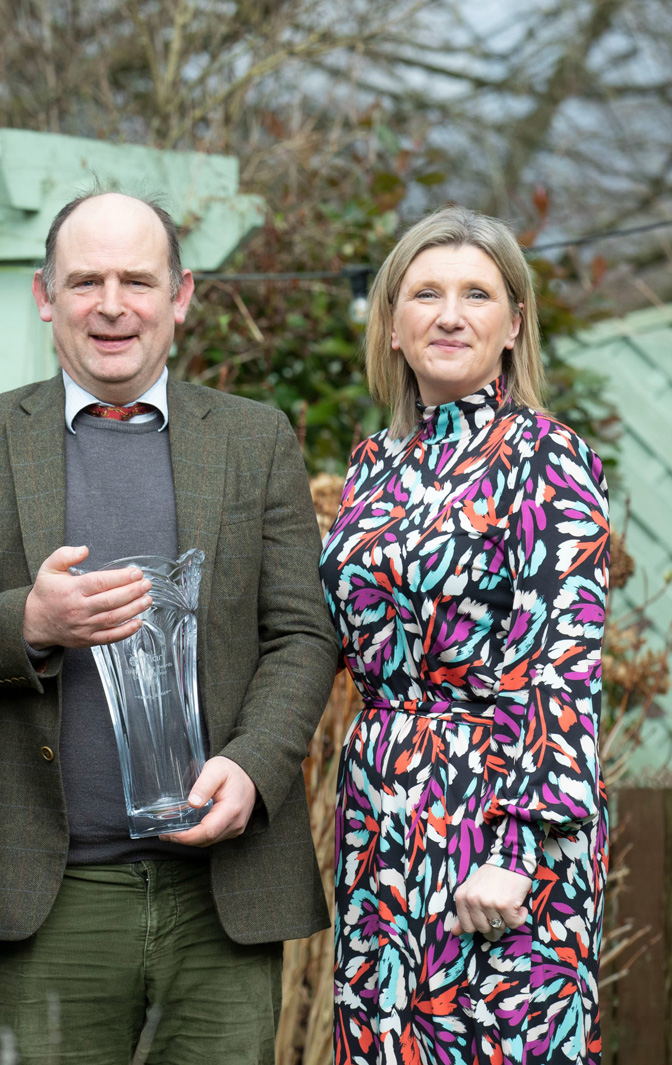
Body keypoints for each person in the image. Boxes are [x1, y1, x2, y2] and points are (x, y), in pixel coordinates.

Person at [0, 190, 339, 1064]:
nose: (111, 305)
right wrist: (28, 620)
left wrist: (253, 769)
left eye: (137, 280)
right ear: (44, 295)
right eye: (86, 280)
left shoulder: (256, 439)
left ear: (179, 296)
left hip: (224, 886)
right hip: (50, 886)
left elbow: (302, 633)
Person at [321, 206, 610, 1063]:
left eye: (477, 294)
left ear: (514, 325)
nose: (450, 314)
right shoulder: (375, 464)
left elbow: (562, 663)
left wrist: (518, 848)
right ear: (394, 325)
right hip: (382, 818)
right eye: (426, 293)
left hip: (500, 823)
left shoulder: (546, 457)